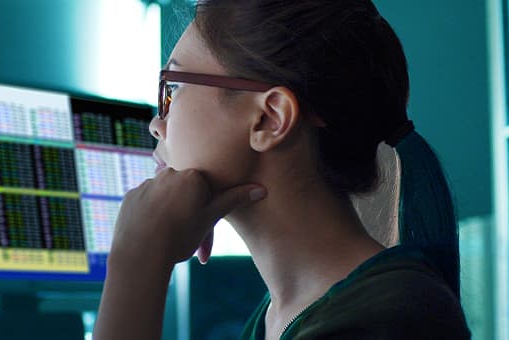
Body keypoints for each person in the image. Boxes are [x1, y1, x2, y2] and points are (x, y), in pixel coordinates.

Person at [94, 0, 470, 339]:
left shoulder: (391, 319)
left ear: (269, 118)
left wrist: (137, 260)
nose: (156, 124)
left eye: (173, 89)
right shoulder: (283, 314)